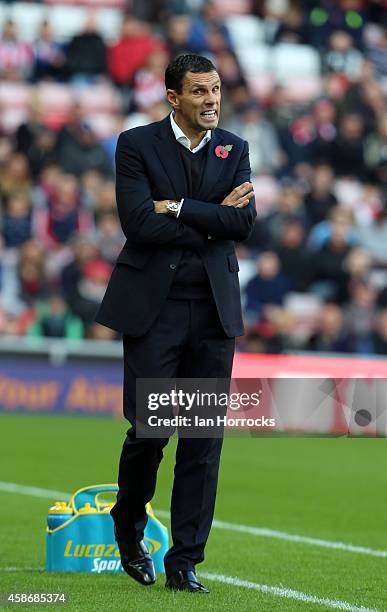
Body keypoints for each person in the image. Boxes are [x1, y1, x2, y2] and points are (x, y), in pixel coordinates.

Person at [96, 53, 256, 593]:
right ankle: (128, 524)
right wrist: (210, 215)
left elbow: (244, 222)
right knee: (151, 431)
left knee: (202, 440)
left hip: (212, 312)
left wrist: (180, 208)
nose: (211, 100)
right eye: (198, 92)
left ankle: (184, 560)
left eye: (215, 90)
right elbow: (139, 223)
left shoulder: (236, 147)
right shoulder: (136, 144)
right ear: (172, 97)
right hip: (155, 312)